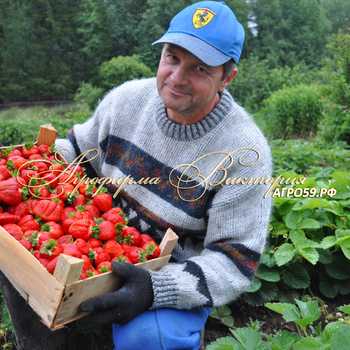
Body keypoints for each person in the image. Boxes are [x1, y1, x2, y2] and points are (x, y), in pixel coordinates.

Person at [0, 1, 272, 349]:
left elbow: (234, 264)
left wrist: (155, 289)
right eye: (172, 58)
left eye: (200, 68)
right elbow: (77, 158)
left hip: (166, 273)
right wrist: (23, 169)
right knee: (18, 256)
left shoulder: (246, 154)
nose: (177, 78)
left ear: (227, 77)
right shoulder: (127, 100)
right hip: (93, 247)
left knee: (150, 337)